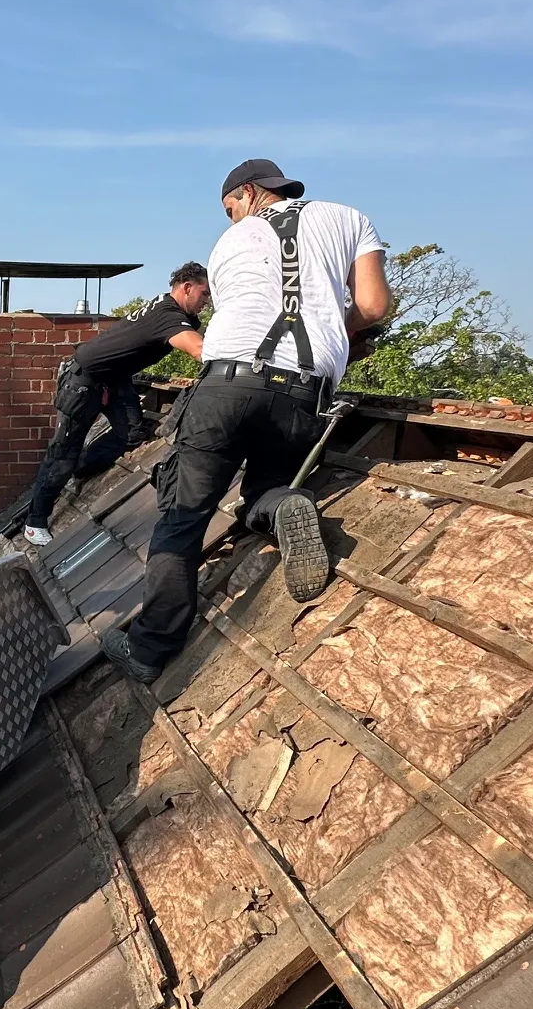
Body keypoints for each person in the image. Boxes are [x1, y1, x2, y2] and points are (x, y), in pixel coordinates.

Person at [101, 158, 392, 684]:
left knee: (183, 515)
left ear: (250, 192)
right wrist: (334, 330)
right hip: (305, 390)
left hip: (227, 383)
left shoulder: (228, 244)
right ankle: (284, 504)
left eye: (231, 206)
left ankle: (150, 649)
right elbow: (373, 306)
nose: (232, 217)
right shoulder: (351, 218)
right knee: (266, 485)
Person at [20, 262, 210, 547]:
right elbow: (199, 349)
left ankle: (82, 467)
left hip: (114, 378)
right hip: (85, 377)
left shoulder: (171, 309)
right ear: (187, 287)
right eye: (204, 293)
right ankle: (35, 522)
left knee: (132, 432)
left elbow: (200, 331)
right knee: (62, 452)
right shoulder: (168, 315)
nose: (207, 301)